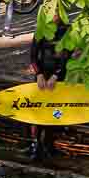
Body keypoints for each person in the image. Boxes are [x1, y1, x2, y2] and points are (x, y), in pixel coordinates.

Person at [26, 16, 70, 160]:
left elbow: (66, 57)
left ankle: (49, 144)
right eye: (52, 11)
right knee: (38, 111)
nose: (55, 15)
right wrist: (38, 74)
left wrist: (56, 75)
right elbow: (33, 56)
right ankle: (35, 145)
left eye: (58, 11)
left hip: (58, 76)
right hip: (42, 75)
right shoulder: (41, 28)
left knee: (54, 111)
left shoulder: (66, 30)